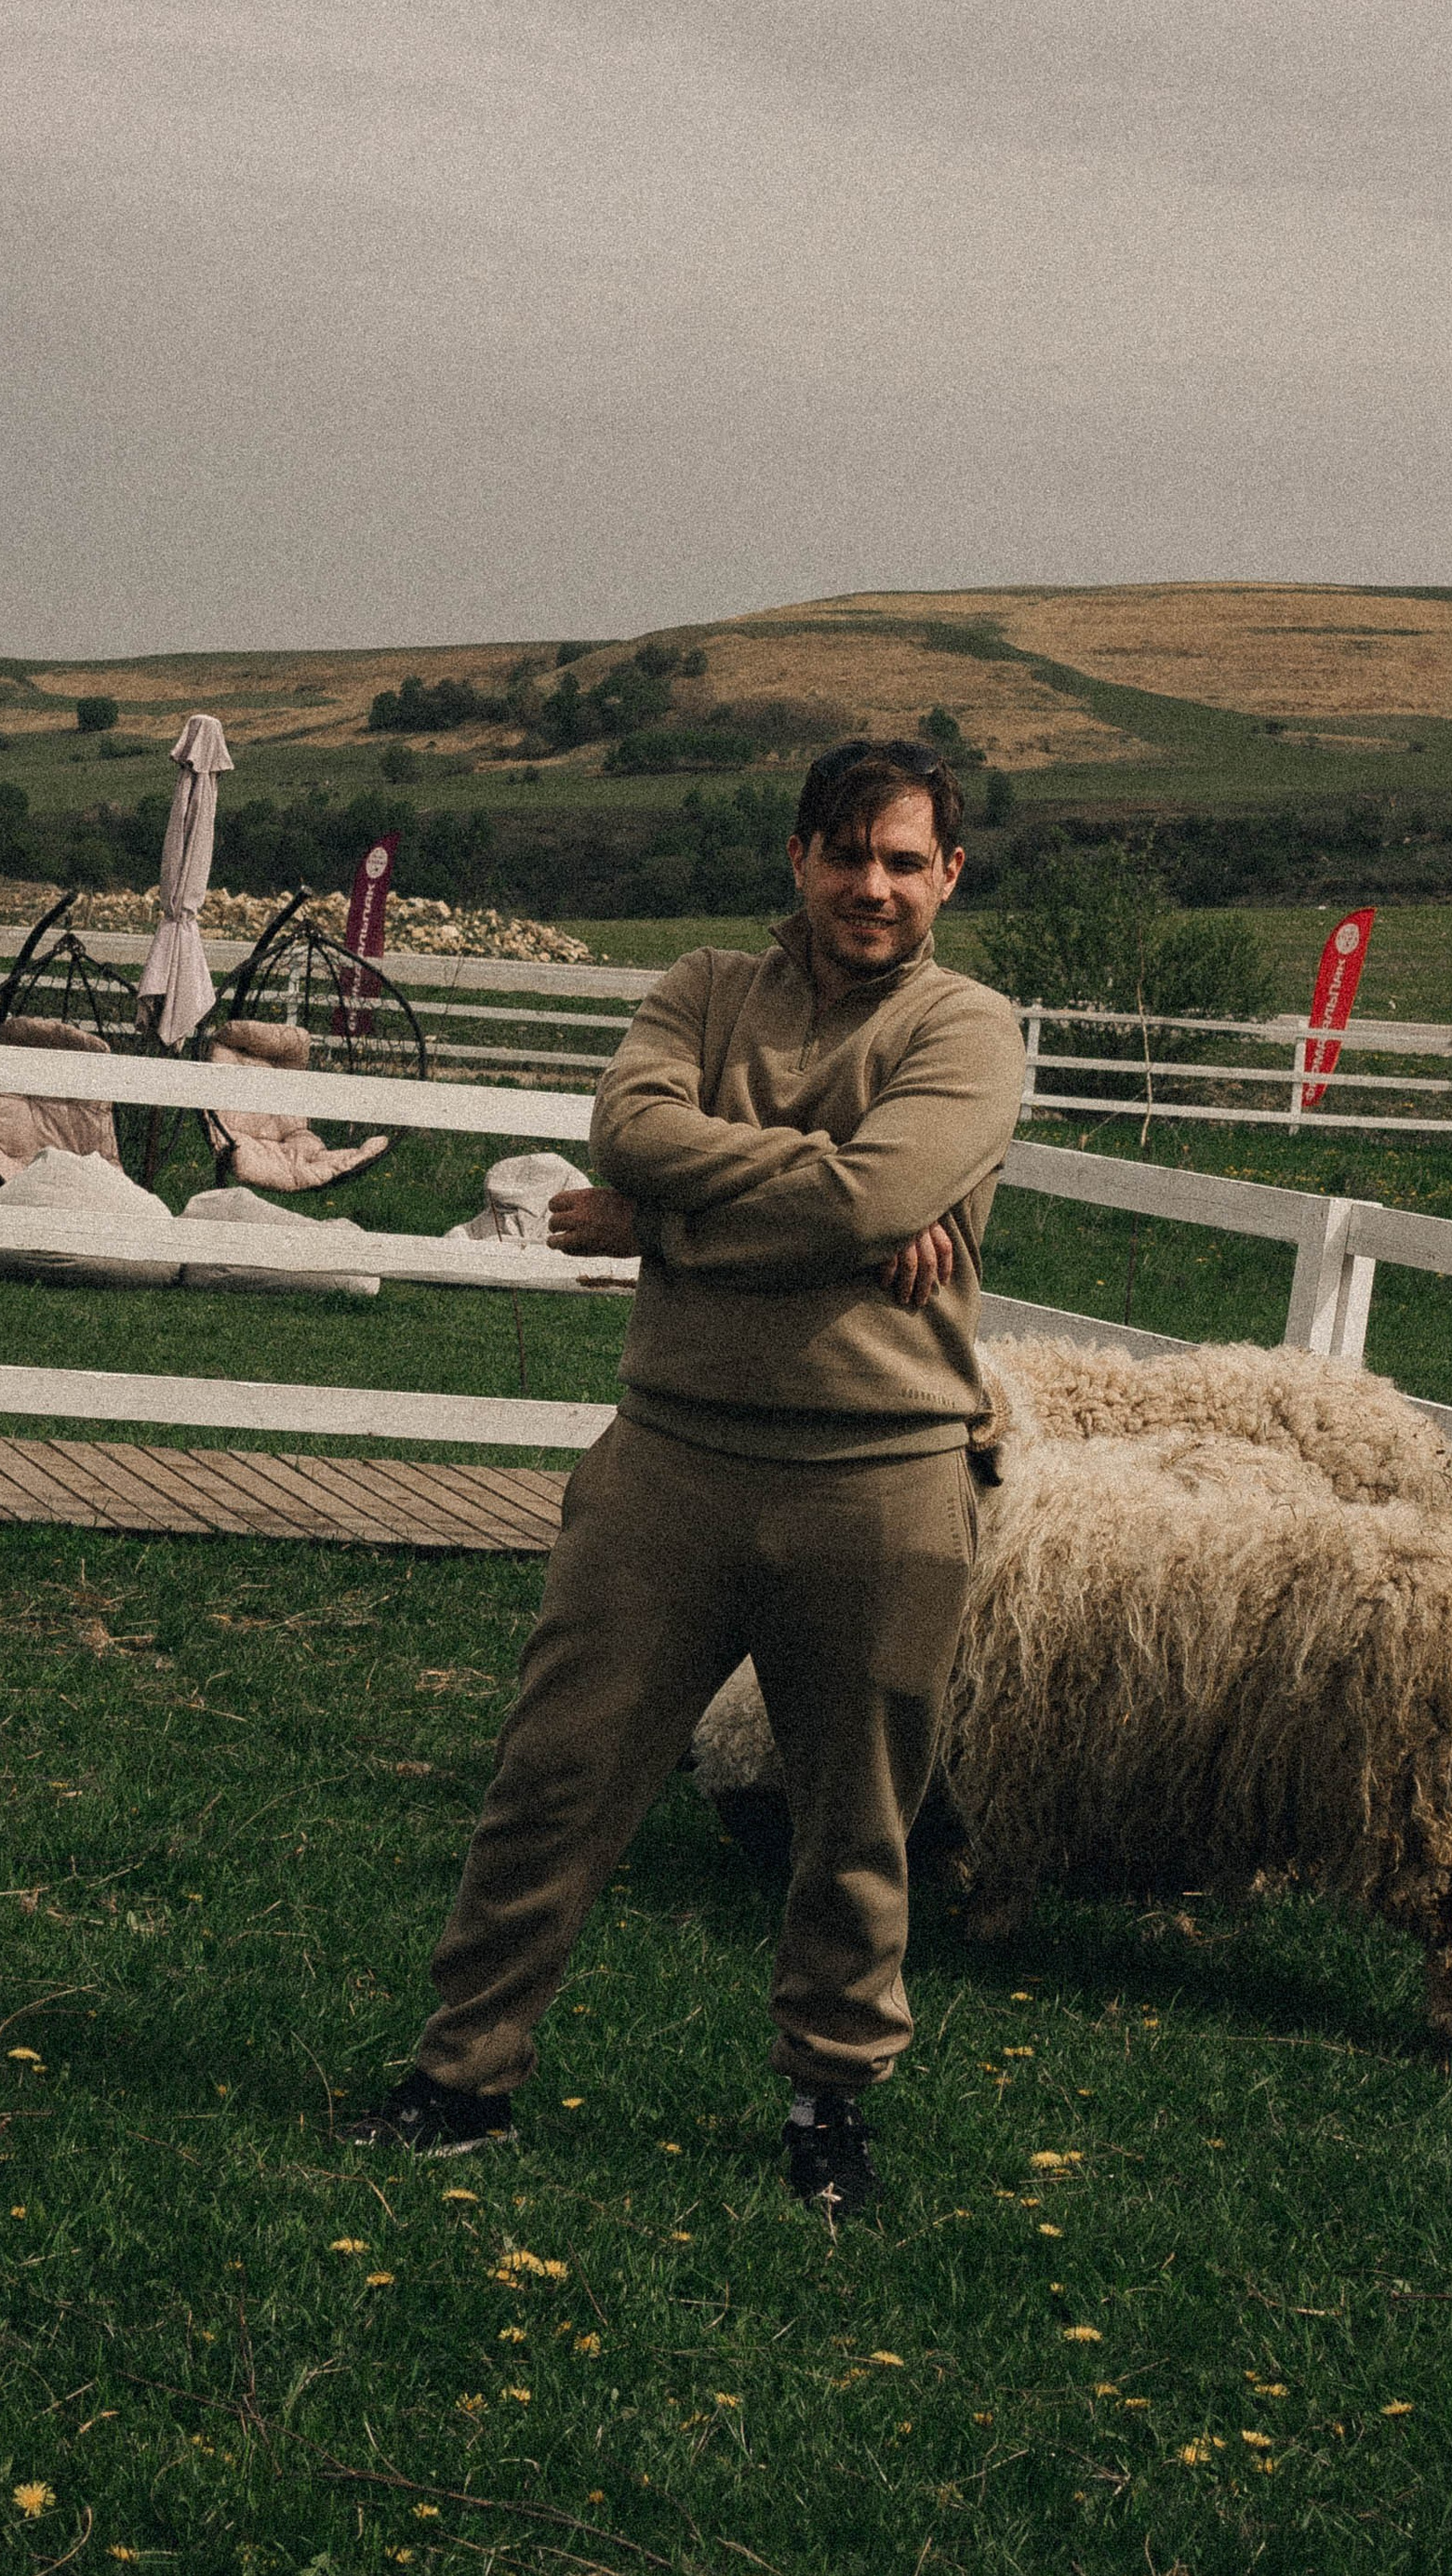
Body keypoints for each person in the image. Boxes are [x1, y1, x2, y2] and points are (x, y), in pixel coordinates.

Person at [350, 739, 1027, 2217]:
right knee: (554, 1778)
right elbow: (630, 1128)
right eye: (847, 854)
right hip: (670, 1465)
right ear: (798, 856)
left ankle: (828, 2108)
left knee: (856, 1822)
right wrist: (832, 1209)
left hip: (881, 1481)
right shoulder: (703, 987)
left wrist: (657, 1227)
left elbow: (887, 1191)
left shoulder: (967, 1028)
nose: (874, 886)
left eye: (906, 861)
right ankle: (461, 2078)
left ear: (948, 878)